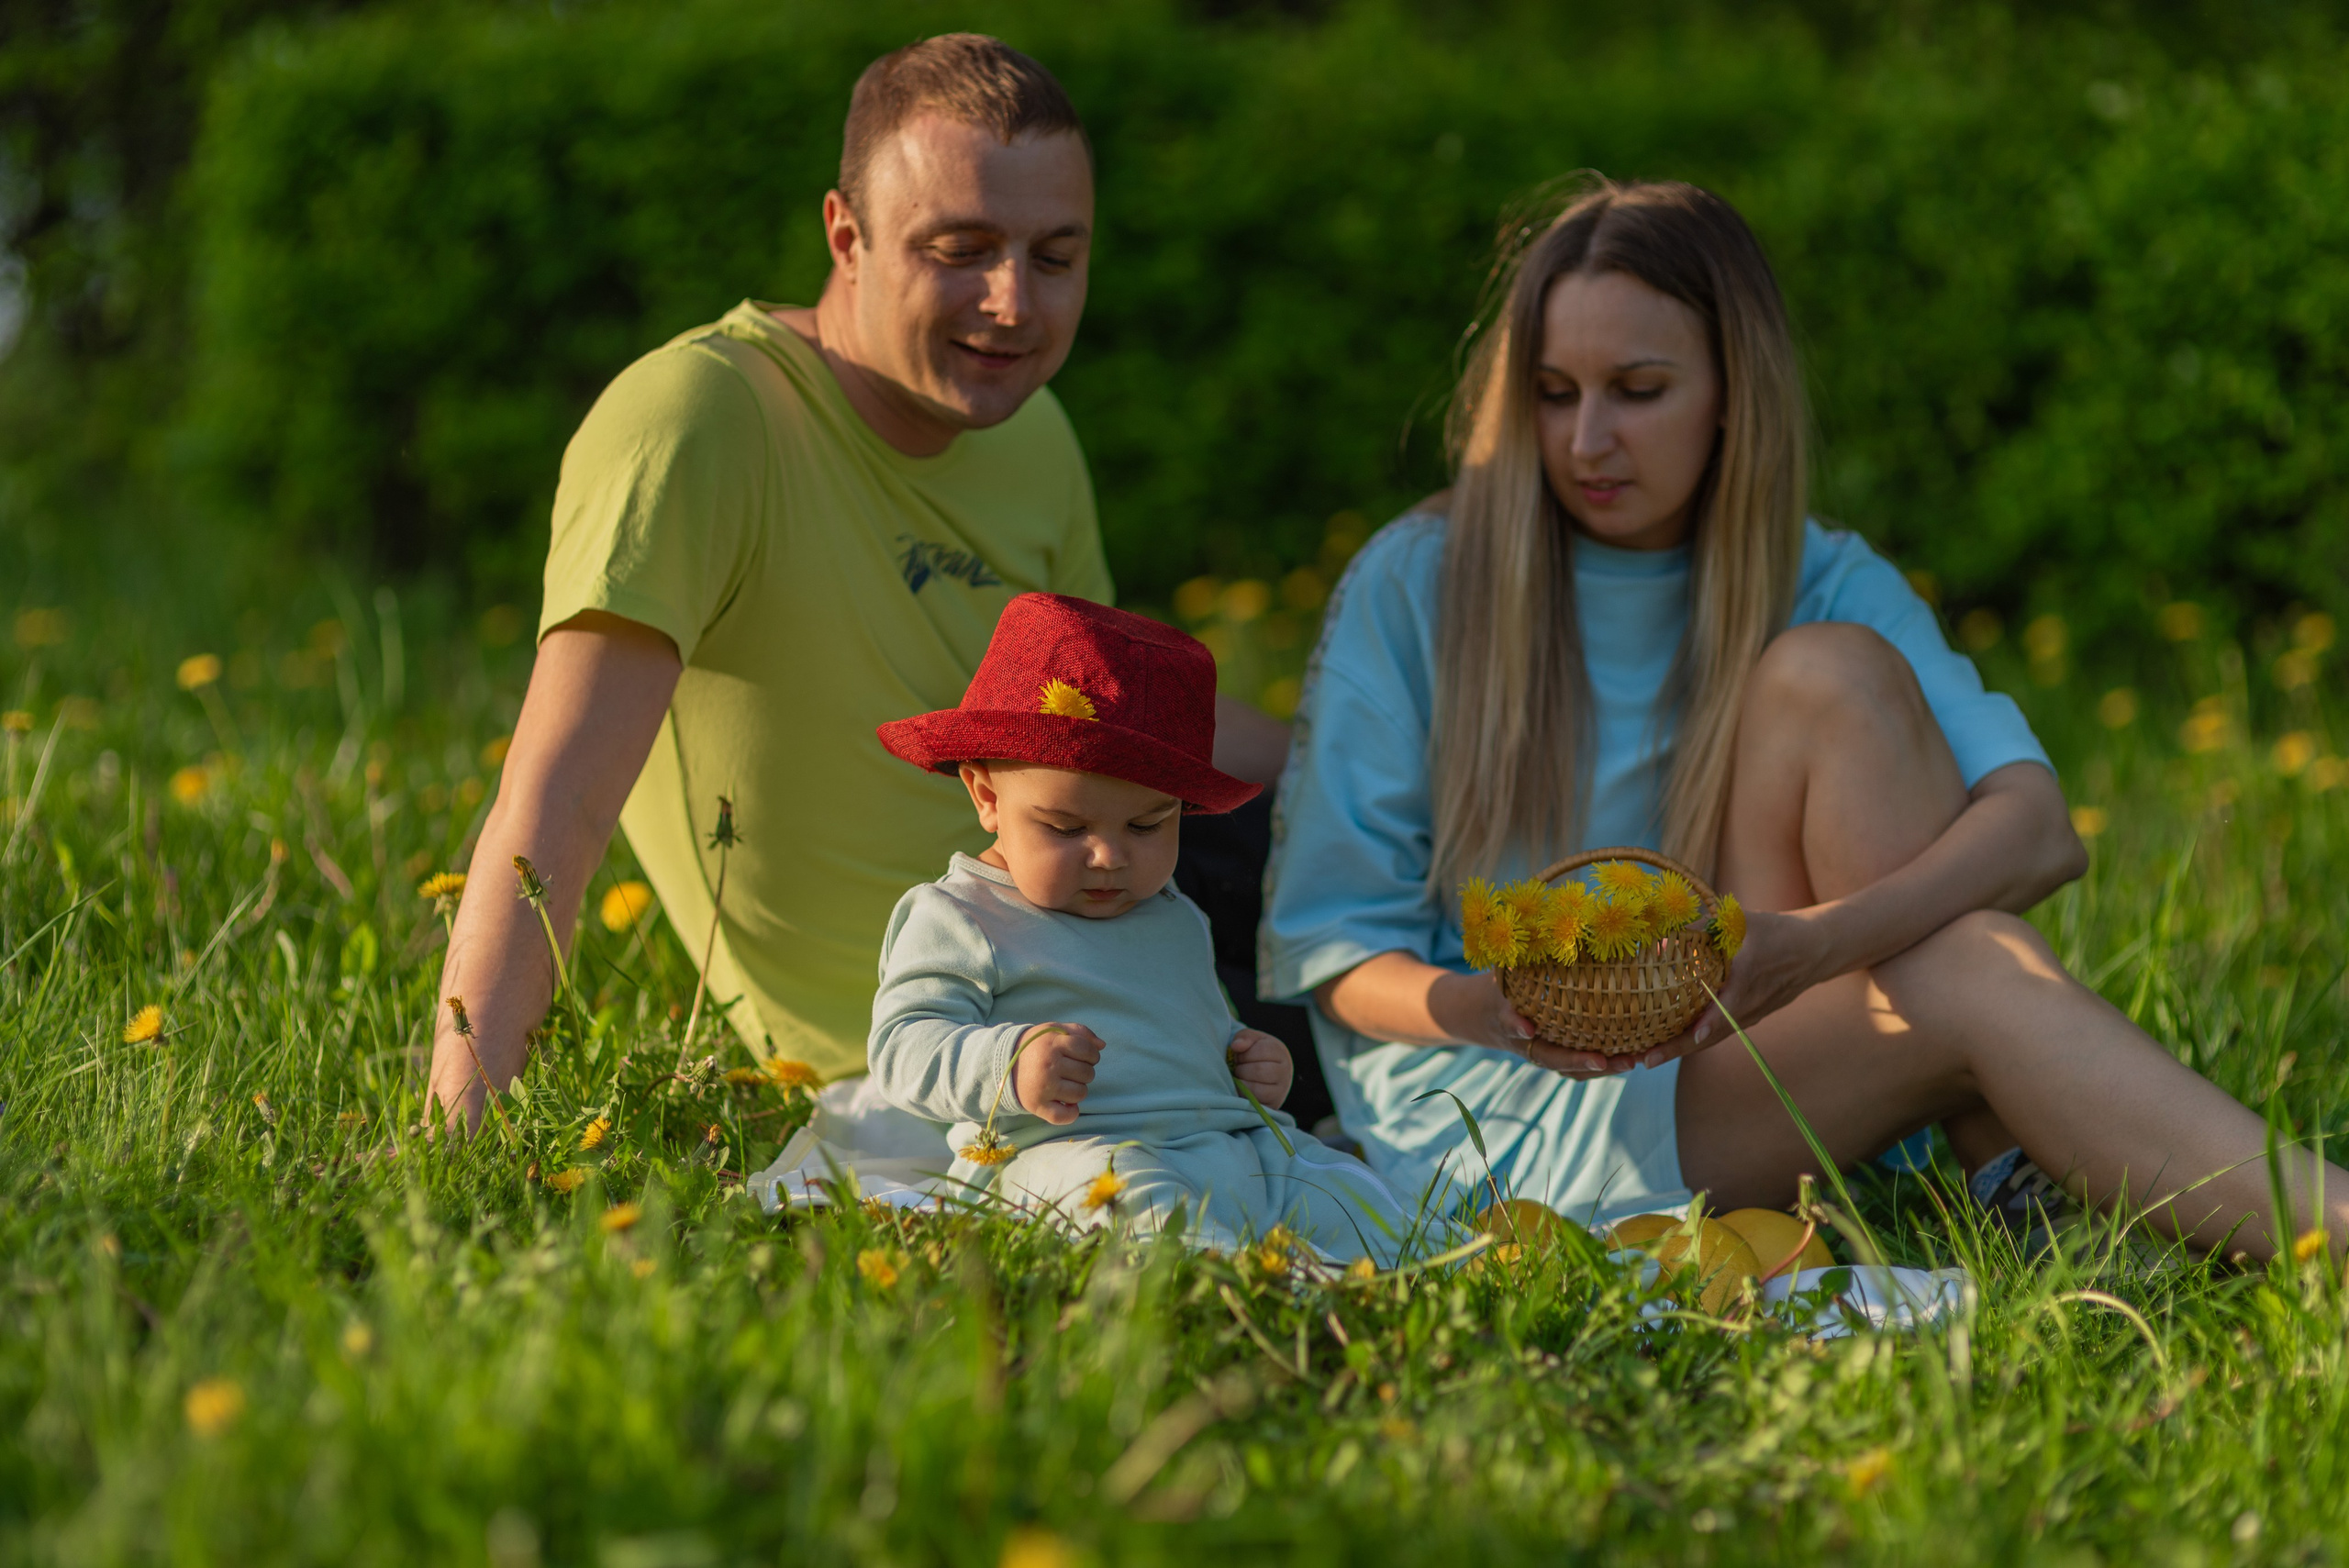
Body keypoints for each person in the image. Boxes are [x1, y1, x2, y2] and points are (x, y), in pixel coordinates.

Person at [1262, 176, 2349, 1261]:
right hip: (1495, 1108)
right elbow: (1333, 949)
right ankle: (2060, 1177)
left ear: (1732, 392)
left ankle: (2031, 1175)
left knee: (1833, 679)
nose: (1587, 439)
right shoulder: (1419, 580)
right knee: (1975, 965)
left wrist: (1819, 943)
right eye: (1552, 393)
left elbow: (2037, 830)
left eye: (1638, 390)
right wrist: (1488, 1008)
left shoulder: (1817, 574)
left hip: (1738, 1033)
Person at [423, 34, 1288, 1128]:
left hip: (1122, 924)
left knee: (1380, 858)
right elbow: (557, 801)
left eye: (1055, 258)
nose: (1013, 303)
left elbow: (1122, 742)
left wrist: (1366, 764)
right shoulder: (701, 421)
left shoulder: (1033, 435)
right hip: (954, 1037)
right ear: (845, 234)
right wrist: (459, 1137)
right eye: (961, 249)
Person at [865, 594, 1422, 1262]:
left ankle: (1431, 1260)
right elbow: (902, 1046)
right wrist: (1007, 1064)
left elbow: (1184, 1031)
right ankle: (1217, 1277)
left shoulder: (1172, 912)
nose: (1110, 855)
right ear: (987, 796)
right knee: (1132, 1201)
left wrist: (1241, 1059)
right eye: (1066, 827)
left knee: (1338, 1186)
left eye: (1147, 825)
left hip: (1220, 1144)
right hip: (1063, 1151)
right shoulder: (962, 915)